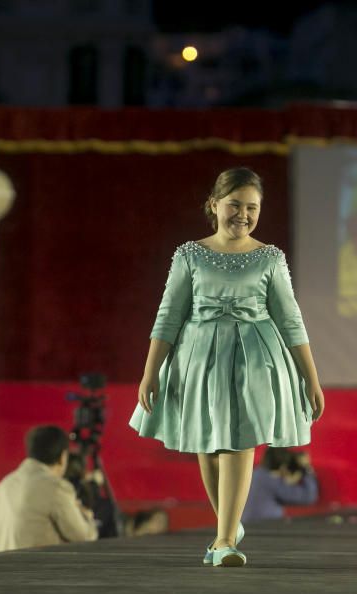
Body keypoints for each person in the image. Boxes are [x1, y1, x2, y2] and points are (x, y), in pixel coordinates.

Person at [130, 166, 324, 567]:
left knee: (240, 441)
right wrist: (150, 371)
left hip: (255, 360)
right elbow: (169, 315)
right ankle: (227, 526)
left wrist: (312, 378)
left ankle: (223, 541)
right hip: (198, 358)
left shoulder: (271, 257)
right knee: (209, 443)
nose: (243, 214)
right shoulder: (189, 254)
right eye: (234, 205)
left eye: (252, 207)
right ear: (214, 205)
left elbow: (291, 320)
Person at [0, 425, 98, 553]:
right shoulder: (56, 488)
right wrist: (86, 516)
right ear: (63, 457)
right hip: (37, 571)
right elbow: (85, 538)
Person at [241, 447, 319, 524]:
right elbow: (308, 496)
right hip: (265, 528)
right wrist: (306, 468)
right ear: (283, 467)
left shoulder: (254, 474)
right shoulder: (273, 481)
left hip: (247, 527)